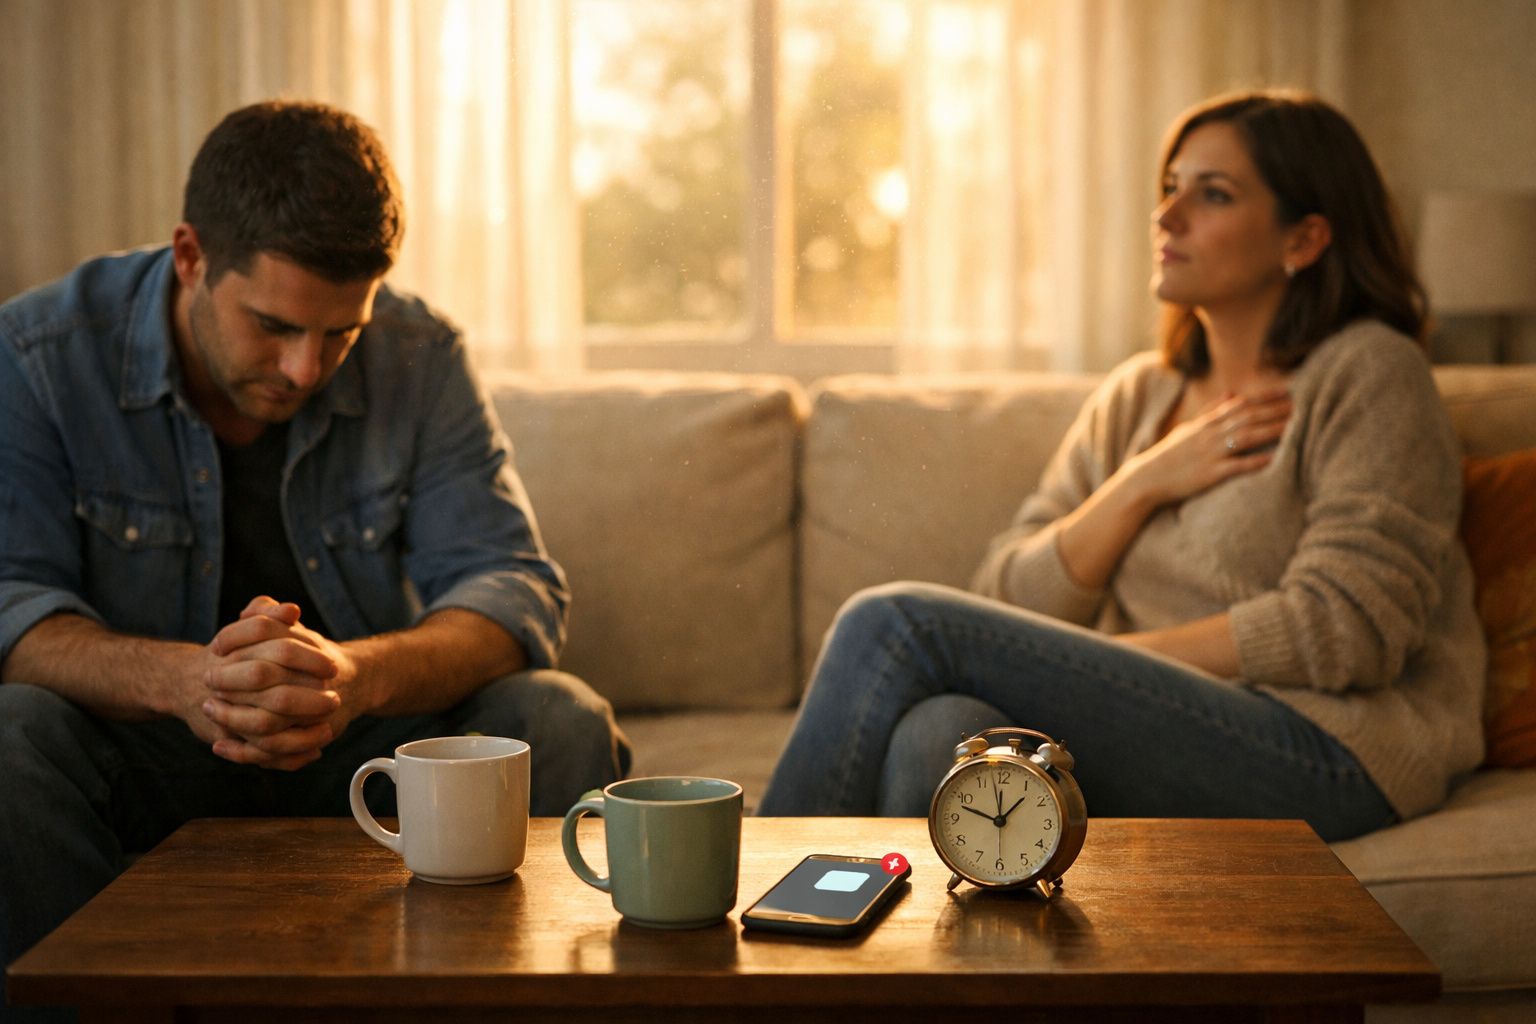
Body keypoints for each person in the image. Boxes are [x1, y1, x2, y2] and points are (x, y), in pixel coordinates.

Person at [0, 101, 628, 1017]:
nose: (306, 368)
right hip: (147, 743)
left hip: (355, 743)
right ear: (190, 257)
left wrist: (355, 675)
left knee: (557, 715)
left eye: (342, 333)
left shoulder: (419, 353)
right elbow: (13, 607)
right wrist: (191, 682)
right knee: (11, 736)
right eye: (273, 326)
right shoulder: (40, 355)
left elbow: (513, 589)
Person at [759, 90, 1485, 844]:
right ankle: (881, 954)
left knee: (894, 622)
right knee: (942, 732)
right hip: (1167, 736)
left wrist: (1097, 669)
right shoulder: (1141, 395)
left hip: (1329, 753)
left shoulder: (1370, 373)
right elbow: (1007, 591)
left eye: (1213, 195)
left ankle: (751, 897)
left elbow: (1349, 627)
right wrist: (1142, 483)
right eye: (1169, 188)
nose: (1167, 218)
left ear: (1302, 240)